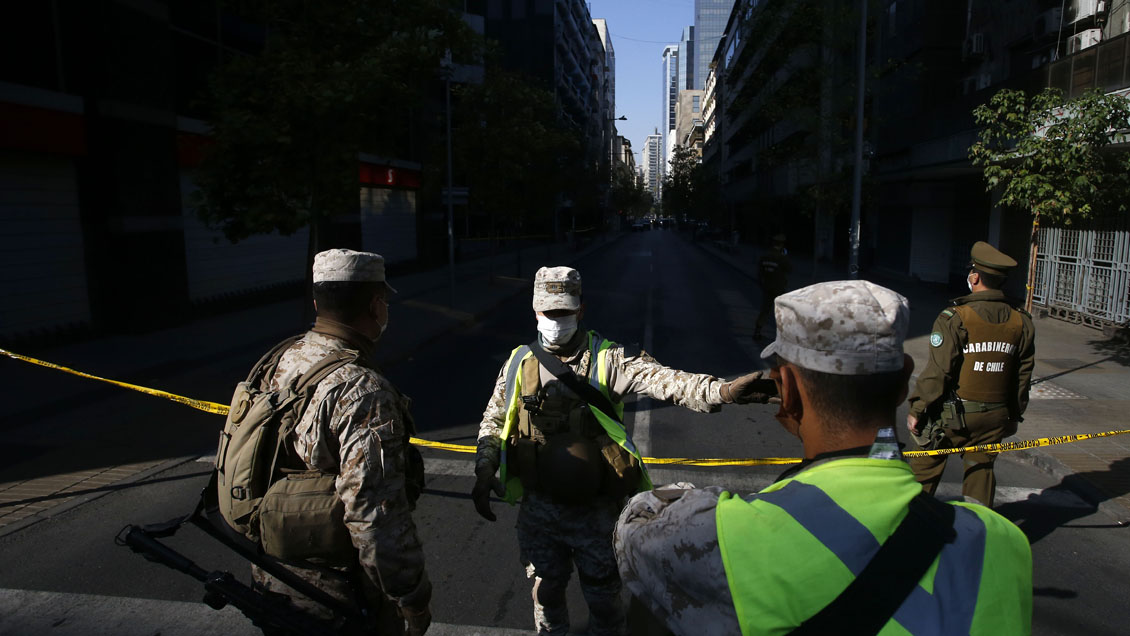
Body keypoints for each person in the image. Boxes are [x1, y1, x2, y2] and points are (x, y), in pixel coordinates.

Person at [614, 280, 1032, 635]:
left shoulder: (725, 536)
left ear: (788, 392)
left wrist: (688, 497)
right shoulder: (1002, 543)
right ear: (905, 380)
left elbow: (632, 532)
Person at [472, 266, 776, 636]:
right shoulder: (520, 361)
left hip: (596, 510)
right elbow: (494, 418)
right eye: (548, 313)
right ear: (535, 311)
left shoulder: (609, 358)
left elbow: (667, 381)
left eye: (563, 312)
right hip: (540, 508)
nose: (555, 320)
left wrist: (722, 392)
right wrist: (485, 466)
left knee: (603, 598)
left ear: (580, 310)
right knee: (546, 591)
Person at [246, 249, 431, 635]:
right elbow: (375, 514)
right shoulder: (361, 388)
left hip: (272, 577)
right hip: (338, 597)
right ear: (377, 306)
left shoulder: (281, 358)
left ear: (317, 302)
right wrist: (411, 597)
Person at [906, 241, 1036, 507]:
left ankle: (910, 532)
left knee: (923, 473)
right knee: (980, 473)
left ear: (974, 277)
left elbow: (939, 371)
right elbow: (1023, 374)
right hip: (994, 416)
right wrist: (1014, 414)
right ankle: (979, 535)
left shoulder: (955, 317)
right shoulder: (1021, 320)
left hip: (951, 417)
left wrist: (917, 409)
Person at [753, 233, 791, 341]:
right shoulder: (781, 257)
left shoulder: (765, 256)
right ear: (782, 244)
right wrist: (785, 256)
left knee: (765, 310)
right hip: (779, 288)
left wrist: (762, 285)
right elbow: (789, 269)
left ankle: (757, 331)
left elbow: (759, 273)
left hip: (767, 287)